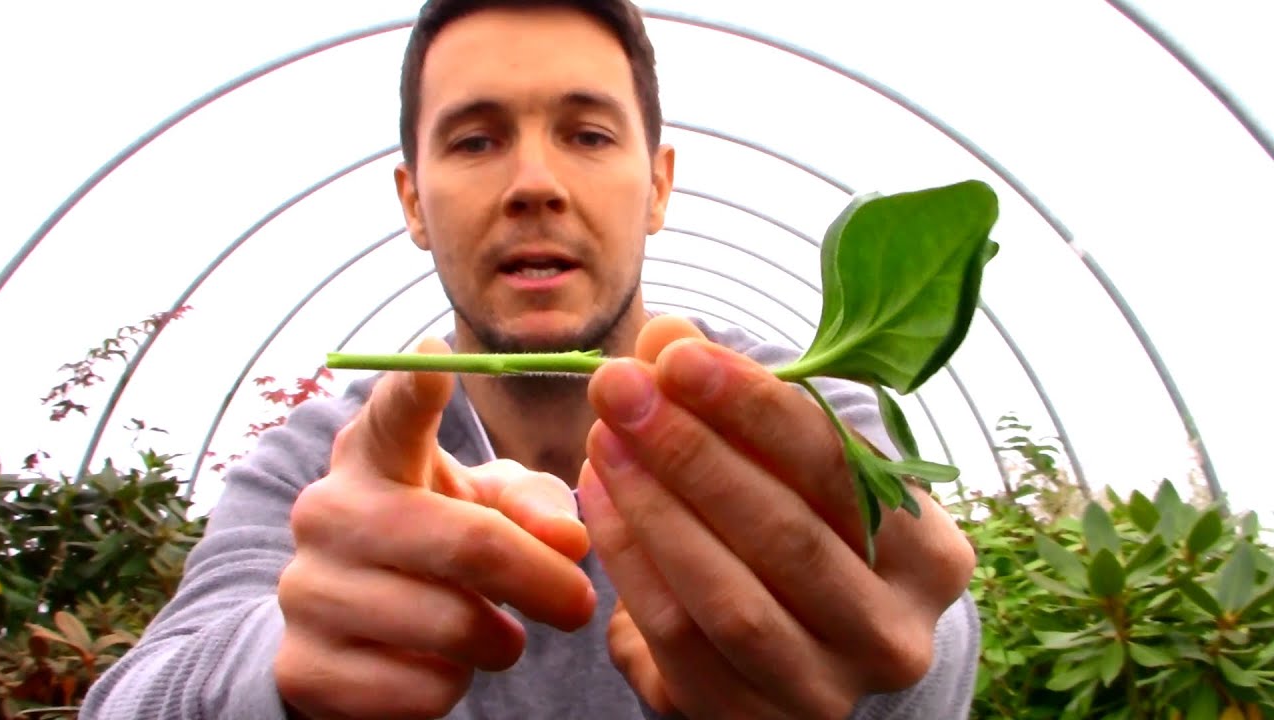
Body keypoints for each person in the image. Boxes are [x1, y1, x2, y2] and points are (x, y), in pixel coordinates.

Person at [80, 1, 981, 718]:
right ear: (414, 203)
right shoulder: (326, 459)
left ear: (658, 185)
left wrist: (868, 674)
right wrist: (282, 661)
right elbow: (134, 697)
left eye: (588, 134)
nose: (535, 185)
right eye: (476, 140)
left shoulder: (789, 406)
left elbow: (933, 627)